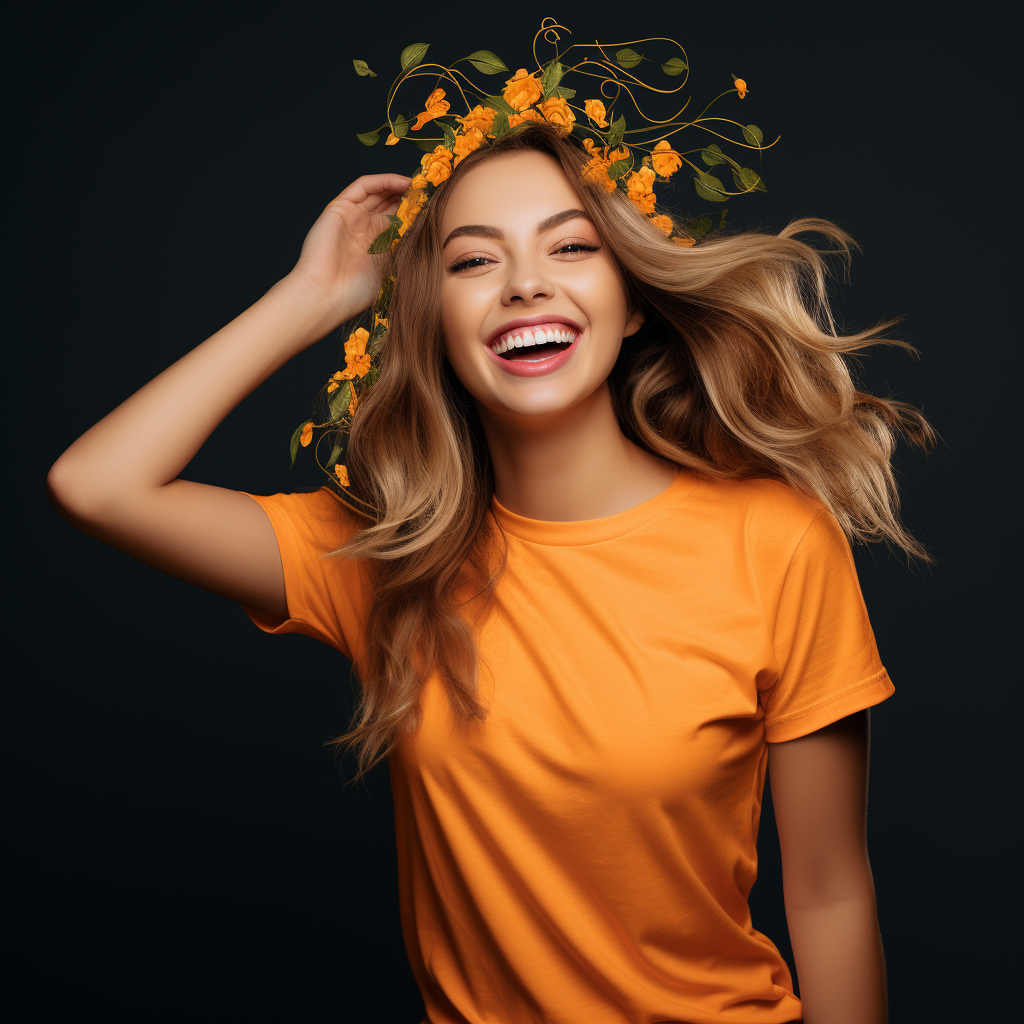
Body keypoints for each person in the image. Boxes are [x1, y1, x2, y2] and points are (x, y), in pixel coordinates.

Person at [46, 120, 933, 1023]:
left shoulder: (775, 541)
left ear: (632, 303)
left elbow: (829, 894)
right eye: (474, 263)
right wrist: (310, 295)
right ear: (434, 322)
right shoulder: (383, 558)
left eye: (573, 246)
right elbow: (96, 486)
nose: (525, 284)